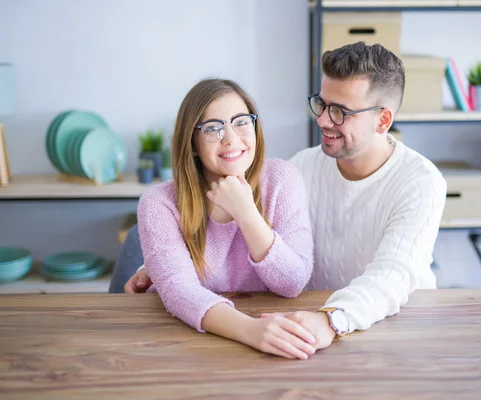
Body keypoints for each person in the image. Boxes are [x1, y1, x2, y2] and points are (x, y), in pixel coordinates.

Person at [117, 42, 447, 353]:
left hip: (389, 324)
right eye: (321, 104)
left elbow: (391, 277)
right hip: (306, 323)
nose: (322, 120)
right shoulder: (303, 166)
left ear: (383, 120)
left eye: (339, 111)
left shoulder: (420, 182)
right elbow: (251, 237)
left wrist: (331, 319)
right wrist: (161, 263)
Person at [133, 78, 316, 360]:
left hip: (266, 330)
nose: (231, 138)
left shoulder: (283, 179)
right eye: (213, 129)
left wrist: (245, 212)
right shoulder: (159, 203)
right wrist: (251, 330)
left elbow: (292, 282)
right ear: (192, 143)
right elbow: (179, 291)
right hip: (187, 340)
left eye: (241, 122)